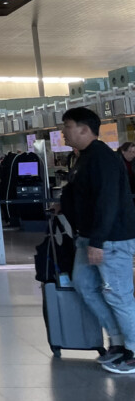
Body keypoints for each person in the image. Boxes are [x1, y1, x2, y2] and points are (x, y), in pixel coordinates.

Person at [61, 107, 135, 374]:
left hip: (110, 239)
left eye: (67, 126)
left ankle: (134, 350)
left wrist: (99, 241)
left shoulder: (102, 158)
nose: (63, 132)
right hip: (90, 236)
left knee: (118, 294)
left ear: (84, 128)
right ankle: (118, 343)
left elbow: (108, 201)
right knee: (84, 285)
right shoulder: (83, 158)